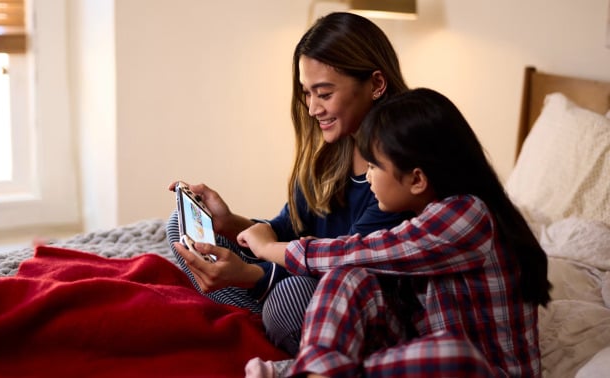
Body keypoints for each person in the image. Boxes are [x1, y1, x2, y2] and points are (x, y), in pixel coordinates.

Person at [239, 88, 552, 377]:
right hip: (421, 360)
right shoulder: (415, 218)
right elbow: (356, 265)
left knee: (453, 351)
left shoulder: (469, 215)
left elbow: (359, 249)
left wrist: (269, 249)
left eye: (374, 165)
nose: (369, 176)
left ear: (417, 179)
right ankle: (315, 370)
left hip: (477, 369)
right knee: (347, 276)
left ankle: (317, 372)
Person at [166, 11, 412, 355]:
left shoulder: (396, 174)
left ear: (376, 84)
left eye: (324, 94)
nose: (312, 109)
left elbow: (349, 274)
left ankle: (267, 312)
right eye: (306, 93)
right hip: (302, 279)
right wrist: (230, 223)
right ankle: (261, 310)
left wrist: (252, 275)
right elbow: (288, 229)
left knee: (289, 298)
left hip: (356, 304)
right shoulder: (329, 156)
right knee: (182, 225)